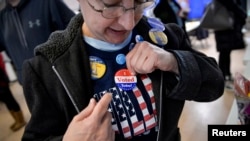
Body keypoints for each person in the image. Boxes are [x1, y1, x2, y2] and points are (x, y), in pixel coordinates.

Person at [21, 0, 224, 140]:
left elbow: (214, 85)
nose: (128, 22)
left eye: (138, 3)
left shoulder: (166, 37)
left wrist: (174, 61)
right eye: (110, 5)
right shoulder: (47, 69)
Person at [0, 0, 75, 85]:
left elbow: (75, 29)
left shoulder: (47, 2)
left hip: (63, 80)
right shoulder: (3, 18)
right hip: (31, 88)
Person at [214, 0, 247, 89]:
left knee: (226, 52)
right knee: (224, 52)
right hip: (224, 25)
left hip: (225, 25)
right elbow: (231, 5)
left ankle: (226, 75)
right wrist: (243, 15)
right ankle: (222, 78)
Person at [0, 52, 26, 131]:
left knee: (10, 100)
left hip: (1, 81)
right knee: (6, 101)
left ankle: (21, 120)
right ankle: (16, 119)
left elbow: (1, 65)